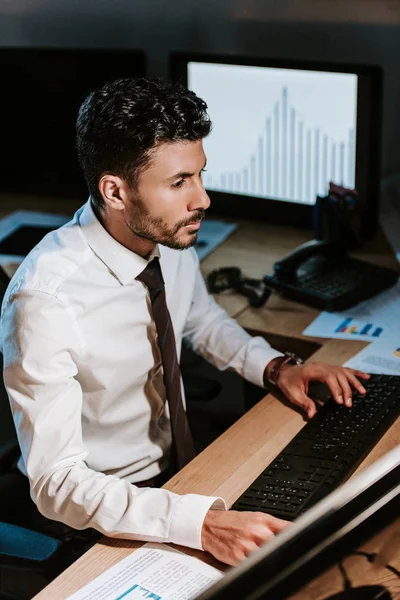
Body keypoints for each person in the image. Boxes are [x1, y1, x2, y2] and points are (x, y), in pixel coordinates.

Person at [0, 78, 370, 568]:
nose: (203, 199)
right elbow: (57, 484)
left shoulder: (164, 236)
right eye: (179, 183)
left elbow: (199, 319)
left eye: (199, 175)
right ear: (115, 190)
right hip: (100, 511)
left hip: (183, 475)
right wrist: (202, 523)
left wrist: (277, 367)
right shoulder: (45, 299)